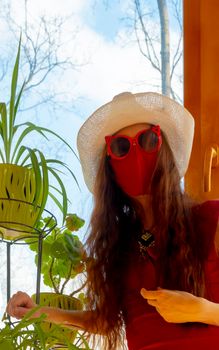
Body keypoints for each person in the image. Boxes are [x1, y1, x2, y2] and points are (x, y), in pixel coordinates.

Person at [6, 92, 219, 350]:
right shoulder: (120, 247)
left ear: (165, 152)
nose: (136, 154)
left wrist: (202, 310)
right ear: (110, 167)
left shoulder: (211, 220)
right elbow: (105, 320)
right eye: (121, 147)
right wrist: (38, 311)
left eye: (148, 140)